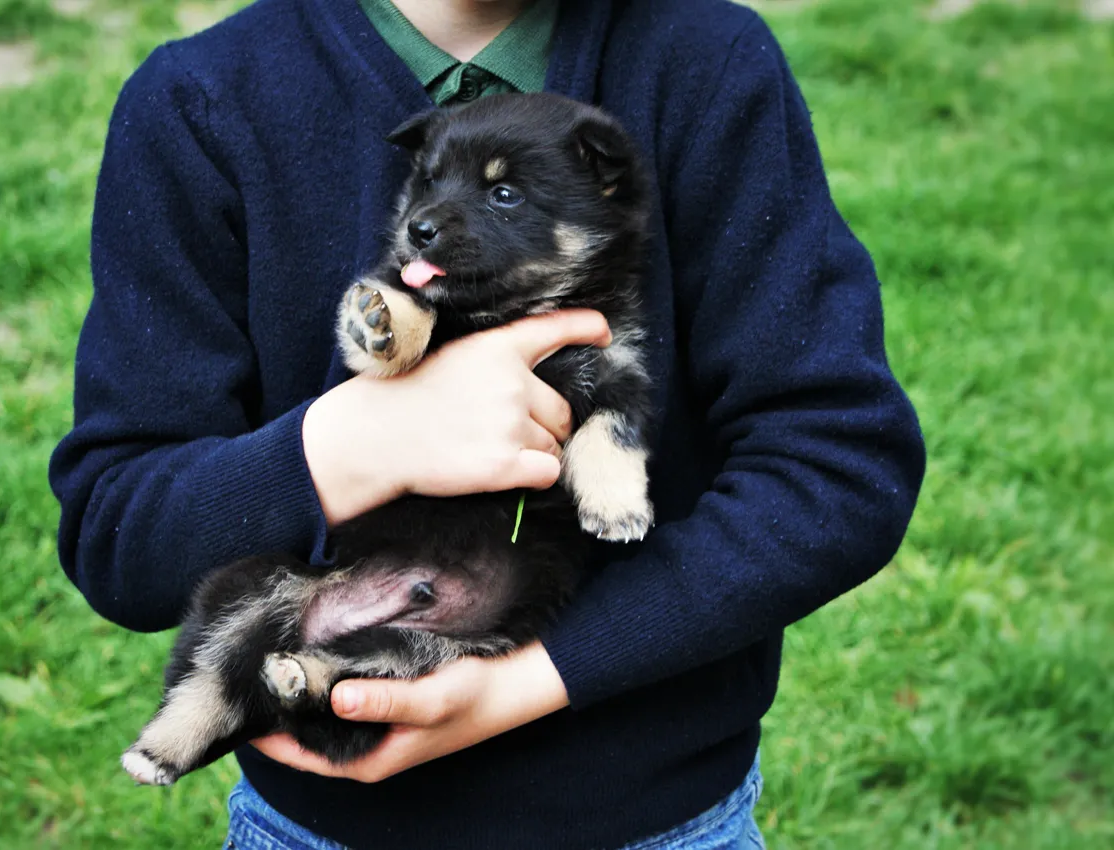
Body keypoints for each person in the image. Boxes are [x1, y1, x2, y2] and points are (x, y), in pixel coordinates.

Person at [48, 0, 927, 847]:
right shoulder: (202, 102)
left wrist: (533, 678)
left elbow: (841, 470)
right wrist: (354, 444)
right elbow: (122, 535)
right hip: (315, 830)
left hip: (661, 821)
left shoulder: (705, 64)